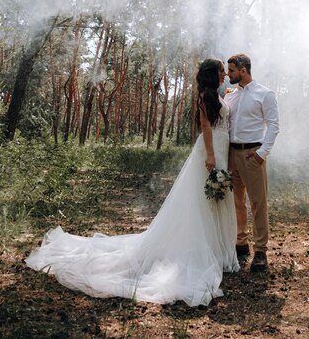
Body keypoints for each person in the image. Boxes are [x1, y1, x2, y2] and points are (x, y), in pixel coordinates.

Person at [25, 59, 239, 307]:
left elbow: (222, 115)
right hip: (211, 150)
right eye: (222, 71)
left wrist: (231, 95)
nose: (225, 74)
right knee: (203, 199)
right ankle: (203, 249)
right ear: (214, 74)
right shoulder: (205, 96)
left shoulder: (216, 95)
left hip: (223, 149)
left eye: (227, 70)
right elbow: (206, 126)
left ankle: (218, 250)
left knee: (216, 198)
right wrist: (211, 155)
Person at [225, 53, 280, 273]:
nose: (228, 74)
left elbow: (274, 126)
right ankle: (241, 242)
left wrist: (262, 154)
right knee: (236, 202)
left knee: (258, 203)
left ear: (243, 70)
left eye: (231, 71)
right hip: (232, 154)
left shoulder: (264, 94)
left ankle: (260, 251)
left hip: (252, 154)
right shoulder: (231, 96)